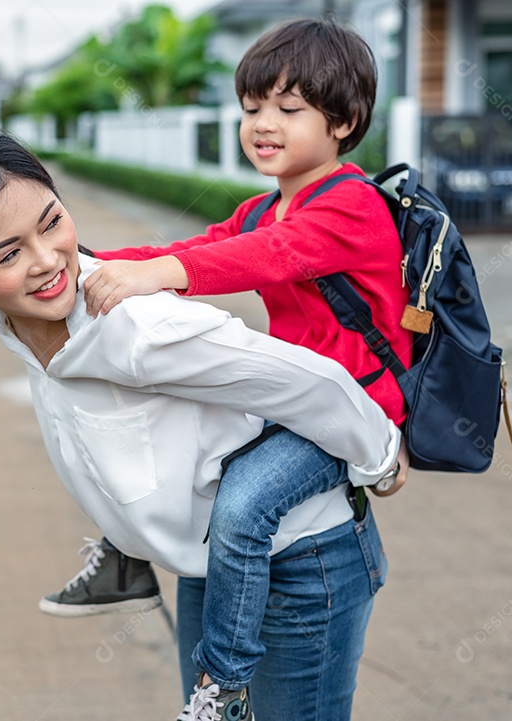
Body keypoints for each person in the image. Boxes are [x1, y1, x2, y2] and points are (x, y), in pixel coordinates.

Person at [0, 122, 400, 721]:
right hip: (211, 566)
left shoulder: (140, 330)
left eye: (52, 222)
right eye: (7, 253)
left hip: (300, 563)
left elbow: (313, 383)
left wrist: (381, 457)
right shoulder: (22, 327)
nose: (46, 261)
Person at [42, 17, 413, 717]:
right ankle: (127, 560)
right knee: (177, 459)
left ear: (346, 121)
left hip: (353, 407)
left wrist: (162, 274)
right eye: (251, 109)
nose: (262, 124)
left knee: (244, 502)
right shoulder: (266, 205)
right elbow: (204, 243)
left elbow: (259, 259)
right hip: (292, 400)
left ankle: (223, 684)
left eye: (288, 108)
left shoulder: (352, 205)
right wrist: (82, 264)